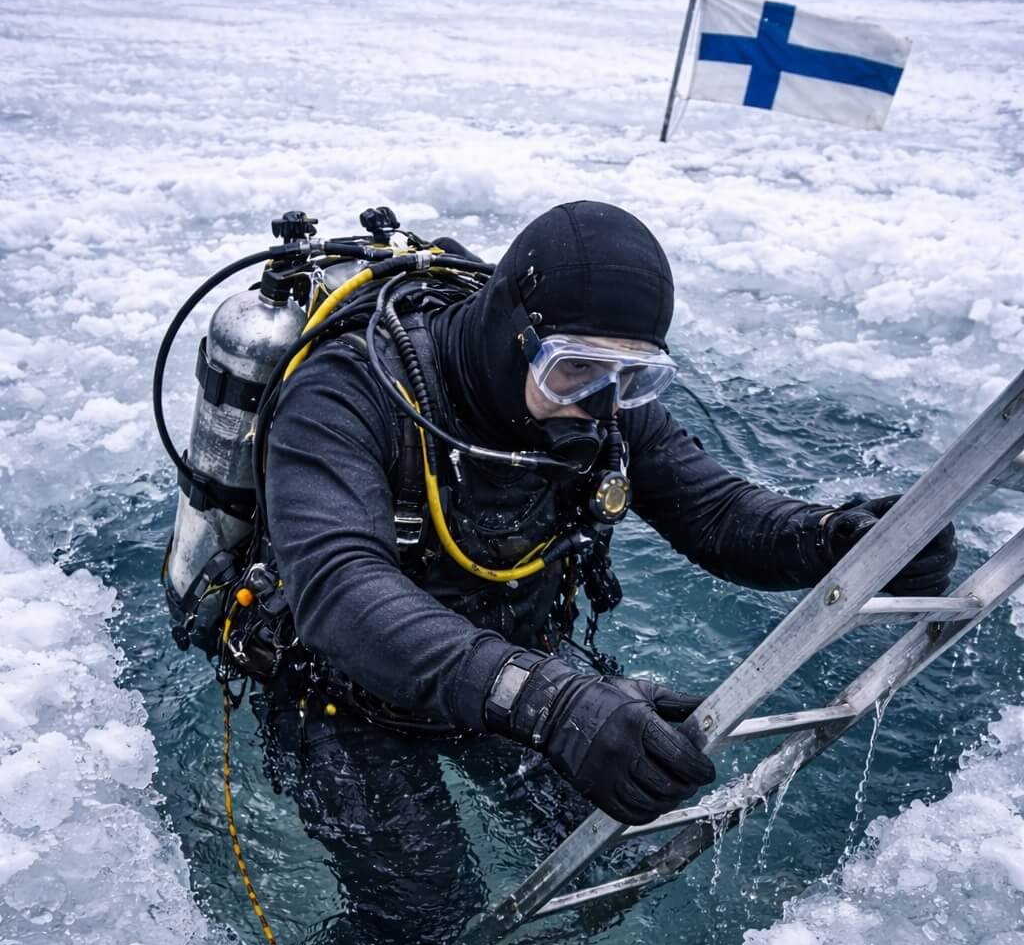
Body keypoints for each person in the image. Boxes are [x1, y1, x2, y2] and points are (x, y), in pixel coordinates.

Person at [259, 199, 956, 864]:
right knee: (426, 921)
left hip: (507, 669)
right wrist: (554, 703)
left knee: (610, 841)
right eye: (574, 370)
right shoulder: (349, 391)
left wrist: (835, 535)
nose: (597, 402)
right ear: (513, 334)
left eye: (632, 375)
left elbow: (714, 513)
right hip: (346, 699)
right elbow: (341, 591)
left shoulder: (604, 399)